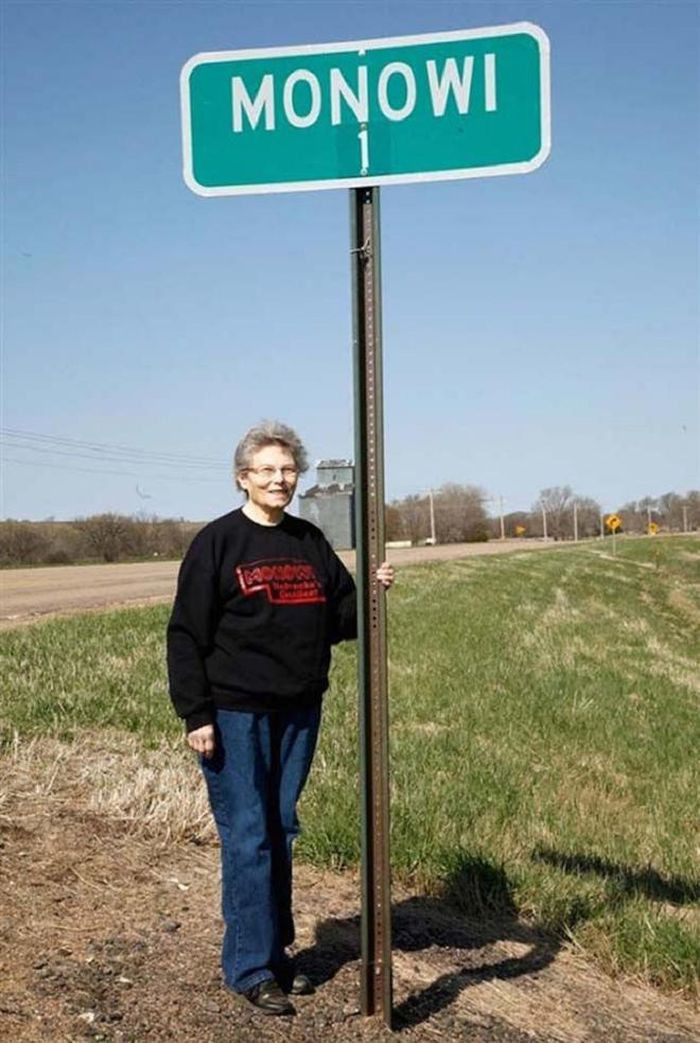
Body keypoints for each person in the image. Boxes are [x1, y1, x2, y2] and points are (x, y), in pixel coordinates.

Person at [166, 421, 394, 1016]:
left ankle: (277, 953)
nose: (279, 479)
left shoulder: (308, 541)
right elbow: (186, 634)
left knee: (281, 829)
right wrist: (196, 713)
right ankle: (248, 967)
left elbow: (341, 618)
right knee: (248, 836)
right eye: (266, 470)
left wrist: (372, 591)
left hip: (298, 708)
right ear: (243, 478)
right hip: (235, 712)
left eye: (288, 469)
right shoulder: (217, 543)